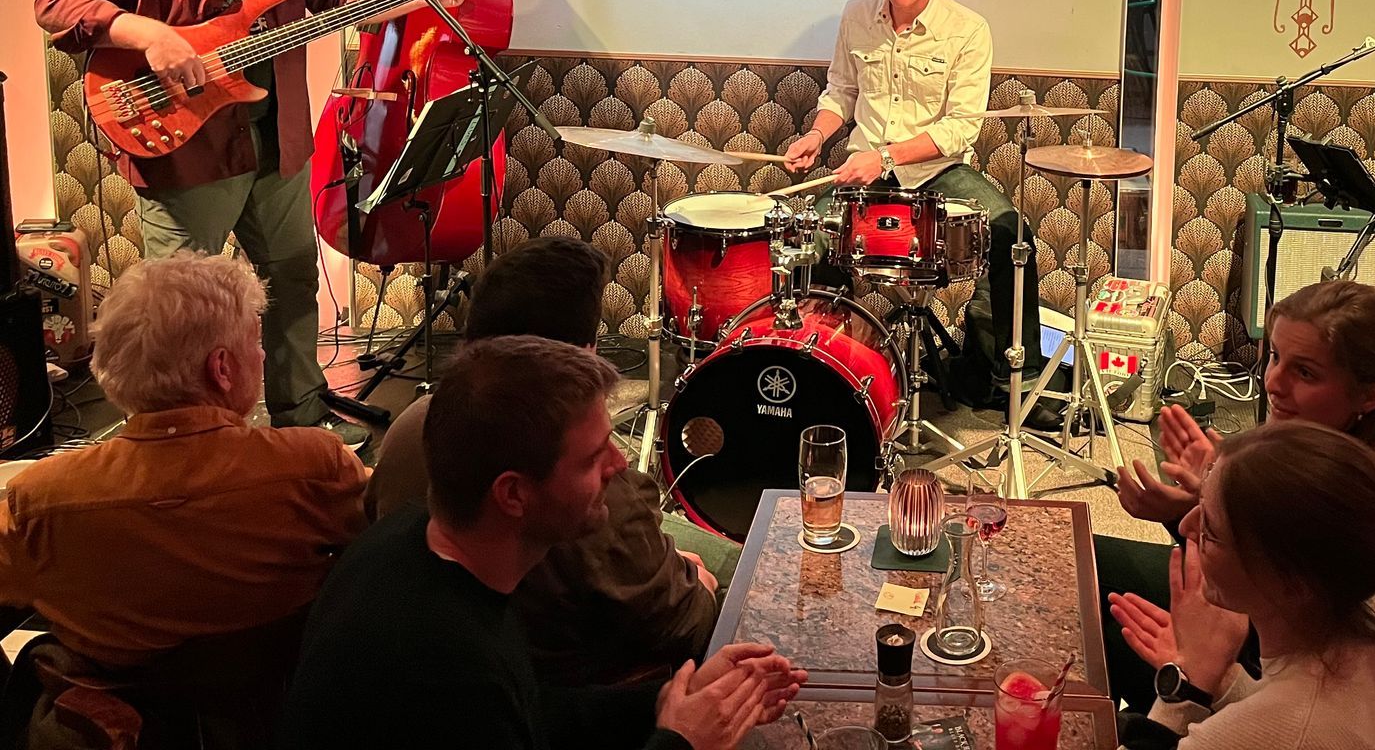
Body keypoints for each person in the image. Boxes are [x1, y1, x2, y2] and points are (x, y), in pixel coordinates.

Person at [34, 0, 479, 448]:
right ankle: (185, 441)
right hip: (184, 141)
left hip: (275, 138)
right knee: (183, 308)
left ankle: (303, 423)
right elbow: (58, 3)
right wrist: (150, 35)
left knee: (292, 281)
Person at [281, 337, 803, 750]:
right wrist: (682, 741)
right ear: (513, 494)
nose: (619, 464)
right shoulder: (448, 668)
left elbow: (532, 712)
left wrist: (667, 700)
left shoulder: (412, 540)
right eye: (593, 456)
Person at [367, 235, 720, 684]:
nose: (616, 461)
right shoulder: (583, 483)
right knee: (741, 567)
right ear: (575, 359)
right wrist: (699, 581)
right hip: (578, 689)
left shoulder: (409, 426)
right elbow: (681, 622)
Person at [1096, 280, 1375, 711]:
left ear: (1371, 394)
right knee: (1085, 567)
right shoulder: (1326, 443)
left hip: (1279, 683)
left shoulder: (1354, 496)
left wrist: (1211, 504)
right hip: (1259, 627)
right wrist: (1210, 500)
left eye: (1305, 372)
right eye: (1276, 357)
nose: (1273, 383)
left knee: (1104, 618)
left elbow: (1263, 612)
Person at [0, 253, 367, 669]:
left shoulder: (35, 502)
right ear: (221, 368)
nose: (263, 356)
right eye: (256, 342)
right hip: (280, 702)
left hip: (108, 709)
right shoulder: (317, 466)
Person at [783, 0, 1058, 427]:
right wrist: (817, 136)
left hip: (936, 171)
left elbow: (960, 127)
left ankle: (1009, 380)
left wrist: (886, 157)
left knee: (1011, 234)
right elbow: (841, 92)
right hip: (867, 168)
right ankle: (821, 368)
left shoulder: (967, 29)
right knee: (810, 236)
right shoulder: (857, 15)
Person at [1109, 420, 1375, 750]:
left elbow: (1292, 728)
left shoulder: (1259, 732)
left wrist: (1186, 687)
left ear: (1291, 584)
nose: (1186, 526)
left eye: (1211, 528)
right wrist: (1222, 678)